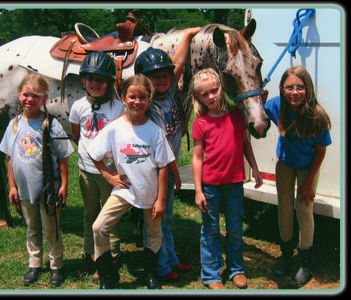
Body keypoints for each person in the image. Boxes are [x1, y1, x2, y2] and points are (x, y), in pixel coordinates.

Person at [87, 74, 176, 289]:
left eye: (142, 97)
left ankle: (150, 274)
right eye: (132, 97)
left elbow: (163, 166)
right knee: (99, 227)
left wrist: (161, 199)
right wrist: (108, 176)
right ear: (123, 98)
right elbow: (94, 153)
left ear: (149, 99)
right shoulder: (115, 128)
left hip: (149, 192)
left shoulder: (155, 131)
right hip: (124, 191)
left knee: (154, 233)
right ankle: (108, 275)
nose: (137, 101)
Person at [133, 27, 200, 280]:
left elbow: (178, 64)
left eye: (164, 76)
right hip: (156, 173)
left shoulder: (169, 93)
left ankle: (170, 258)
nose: (161, 80)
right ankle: (160, 266)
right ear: (143, 80)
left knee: (167, 218)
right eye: (154, 77)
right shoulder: (146, 107)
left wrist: (187, 36)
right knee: (157, 220)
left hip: (169, 172)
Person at [190, 68, 263, 290]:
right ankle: (211, 273)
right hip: (210, 186)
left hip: (234, 183)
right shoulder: (200, 123)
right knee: (210, 230)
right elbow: (196, 158)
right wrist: (198, 190)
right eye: (205, 94)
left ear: (222, 88)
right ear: (198, 98)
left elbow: (244, 144)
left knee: (235, 227)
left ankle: (236, 269)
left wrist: (256, 169)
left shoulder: (236, 115)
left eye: (214, 90)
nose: (211, 96)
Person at [0, 73, 74, 287]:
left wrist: (64, 186)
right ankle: (34, 263)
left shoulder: (50, 124)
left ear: (44, 99)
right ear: (18, 95)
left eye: (35, 96)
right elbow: (10, 158)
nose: (29, 99)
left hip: (48, 189)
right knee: (31, 227)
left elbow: (63, 158)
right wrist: (12, 186)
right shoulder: (14, 124)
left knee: (52, 229)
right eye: (25, 94)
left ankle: (56, 265)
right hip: (24, 190)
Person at [263, 66, 332, 288]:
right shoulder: (276, 105)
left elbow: (321, 151)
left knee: (304, 210)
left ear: (308, 89)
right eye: (289, 87)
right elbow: (258, 115)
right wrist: (260, 97)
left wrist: (309, 183)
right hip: (284, 164)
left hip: (308, 167)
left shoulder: (317, 116)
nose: (295, 92)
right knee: (284, 208)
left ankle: (305, 262)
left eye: (300, 87)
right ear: (282, 89)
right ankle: (285, 254)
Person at [69, 51, 125, 278]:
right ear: (83, 80)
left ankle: (111, 254)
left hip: (111, 171)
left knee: (110, 214)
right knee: (90, 213)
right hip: (87, 171)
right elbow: (77, 135)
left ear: (110, 82)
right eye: (90, 79)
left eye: (101, 80)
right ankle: (89, 253)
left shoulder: (118, 108)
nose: (95, 84)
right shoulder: (78, 106)